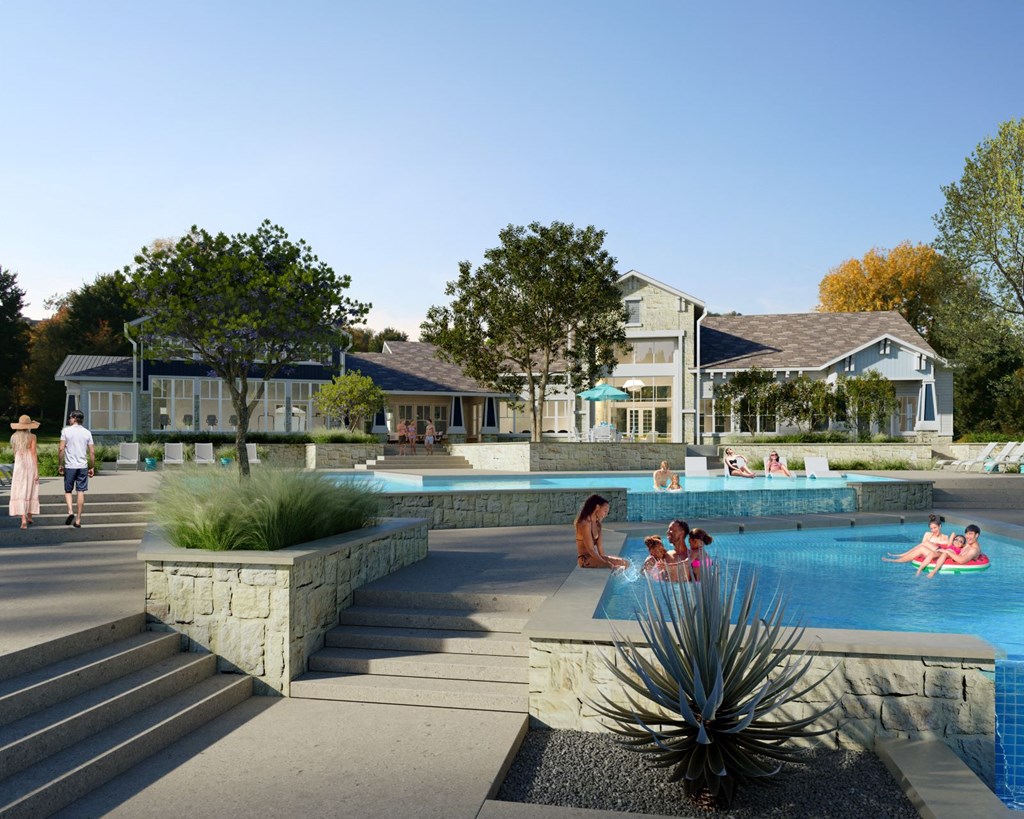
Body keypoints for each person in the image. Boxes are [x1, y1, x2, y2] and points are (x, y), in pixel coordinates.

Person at [58, 409, 95, 528]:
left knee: (68, 491)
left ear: (74, 418)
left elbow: (61, 449)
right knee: (80, 491)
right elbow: (92, 452)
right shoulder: (87, 432)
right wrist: (92, 466)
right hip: (82, 466)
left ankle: (70, 511)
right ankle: (78, 519)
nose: (69, 419)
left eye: (70, 417)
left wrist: (60, 464)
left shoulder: (66, 431)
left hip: (70, 466)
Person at [574, 494, 630, 570]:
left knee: (625, 562)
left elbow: (600, 548)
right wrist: (605, 563)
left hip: (594, 557)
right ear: (597, 507)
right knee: (616, 567)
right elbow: (590, 549)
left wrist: (606, 560)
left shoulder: (598, 524)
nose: (605, 515)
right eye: (605, 511)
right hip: (585, 559)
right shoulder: (585, 523)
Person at [9, 415, 41, 529]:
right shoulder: (32, 436)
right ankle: (30, 516)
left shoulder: (14, 437)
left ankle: (23, 519)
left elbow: (15, 452)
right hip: (29, 463)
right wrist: (37, 470)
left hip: (19, 464)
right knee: (31, 487)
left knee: (21, 489)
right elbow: (33, 453)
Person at [919, 525, 986, 579]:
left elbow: (961, 560)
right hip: (953, 554)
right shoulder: (969, 544)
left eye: (970, 534)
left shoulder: (973, 550)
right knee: (926, 545)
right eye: (966, 534)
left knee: (943, 553)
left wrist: (947, 551)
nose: (967, 536)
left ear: (976, 535)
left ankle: (933, 572)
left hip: (961, 572)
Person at [882, 514, 950, 563]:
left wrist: (934, 543)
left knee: (924, 545)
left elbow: (947, 544)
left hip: (935, 553)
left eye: (935, 528)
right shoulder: (928, 534)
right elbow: (922, 544)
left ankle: (898, 558)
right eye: (931, 528)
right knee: (923, 545)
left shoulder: (945, 537)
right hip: (925, 551)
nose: (933, 530)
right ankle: (900, 555)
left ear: (940, 526)